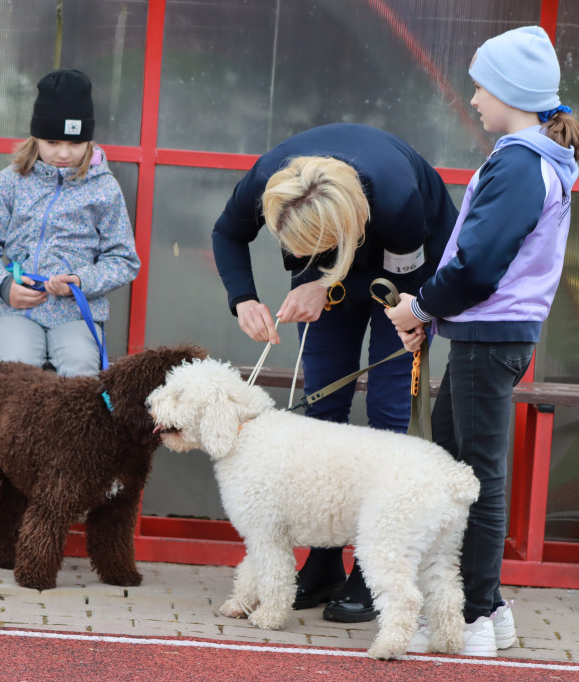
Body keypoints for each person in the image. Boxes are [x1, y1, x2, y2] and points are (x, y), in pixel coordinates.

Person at [386, 26, 579, 656]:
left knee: (471, 477)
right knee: (457, 470)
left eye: (480, 85)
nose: (472, 97)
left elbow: (477, 267)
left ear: (509, 92)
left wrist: (421, 305)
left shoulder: (522, 163)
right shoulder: (533, 159)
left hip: (486, 337)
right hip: (489, 335)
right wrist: (432, 312)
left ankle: (469, 617)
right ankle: (488, 610)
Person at [211, 123, 458, 623]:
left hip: (407, 270)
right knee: (322, 407)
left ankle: (372, 569)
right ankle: (323, 562)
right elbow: (227, 232)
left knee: (390, 414)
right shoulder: (268, 179)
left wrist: (327, 285)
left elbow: (399, 280)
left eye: (312, 248)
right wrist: (243, 298)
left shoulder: (397, 198)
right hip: (333, 245)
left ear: (338, 233)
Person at [0, 69, 140, 375]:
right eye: (53, 141)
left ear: (88, 140)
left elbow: (123, 260)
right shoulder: (9, 182)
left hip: (75, 316)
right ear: (36, 137)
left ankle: (73, 426)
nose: (63, 153)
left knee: (81, 366)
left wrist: (82, 282)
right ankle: (17, 425)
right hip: (15, 310)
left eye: (75, 143)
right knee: (19, 369)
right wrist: (4, 287)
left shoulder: (104, 189)